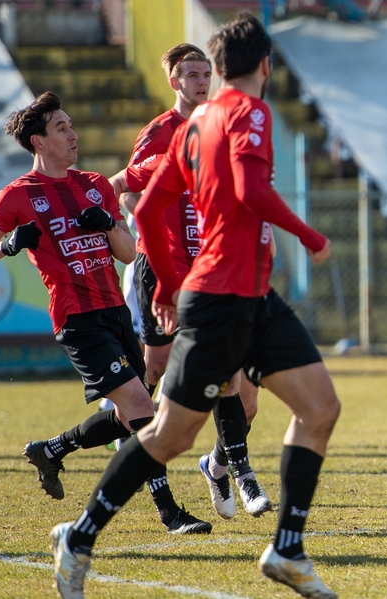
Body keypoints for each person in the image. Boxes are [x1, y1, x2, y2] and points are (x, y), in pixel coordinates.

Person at [48, 14, 341, 599]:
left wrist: (163, 285)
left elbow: (149, 207)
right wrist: (308, 236)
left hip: (251, 296)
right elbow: (253, 192)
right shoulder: (248, 113)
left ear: (220, 68)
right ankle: (78, 537)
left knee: (321, 407)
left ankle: (287, 549)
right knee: (170, 433)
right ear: (265, 66)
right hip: (223, 300)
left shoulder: (192, 128)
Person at [0, 91, 210, 535]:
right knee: (140, 407)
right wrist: (7, 244)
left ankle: (51, 449)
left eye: (72, 126)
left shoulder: (94, 184)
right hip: (76, 318)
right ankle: (169, 512)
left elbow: (129, 253)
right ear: (38, 142)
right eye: (62, 129)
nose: (73, 135)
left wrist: (110, 225)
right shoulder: (18, 195)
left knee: (129, 413)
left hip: (115, 310)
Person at [108, 43, 270, 520]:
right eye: (191, 74)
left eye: (206, 73)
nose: (201, 81)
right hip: (161, 271)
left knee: (236, 382)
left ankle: (234, 471)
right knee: (152, 372)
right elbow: (124, 187)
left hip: (213, 272)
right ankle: (120, 438)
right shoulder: (159, 132)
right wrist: (146, 230)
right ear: (174, 81)